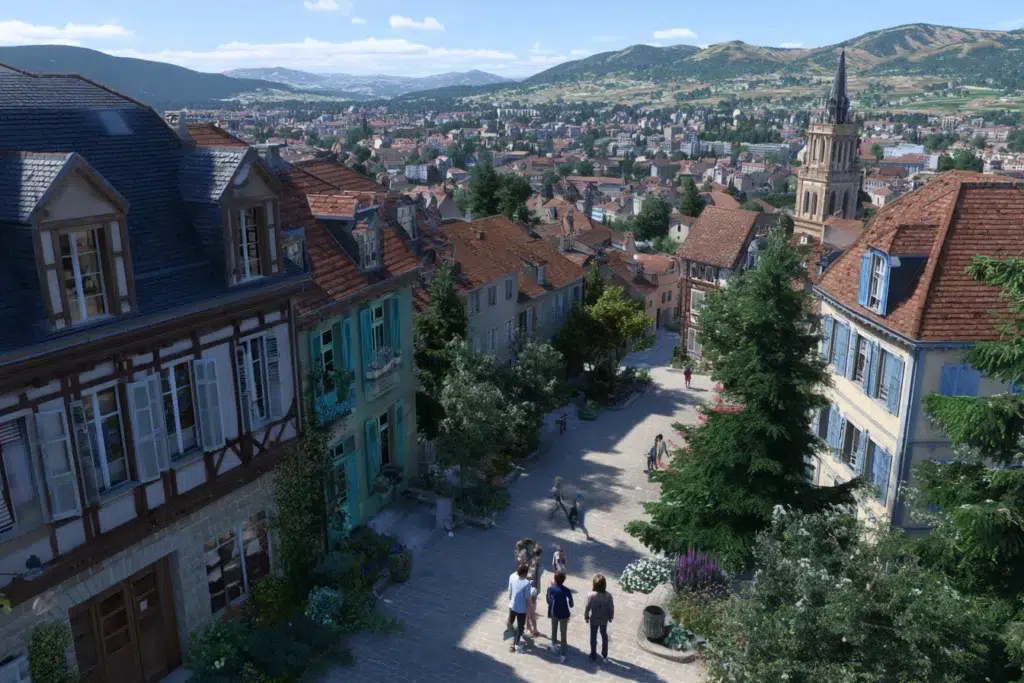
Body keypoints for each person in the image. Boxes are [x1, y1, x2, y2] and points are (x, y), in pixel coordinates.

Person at [584, 573, 614, 662]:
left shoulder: (591, 595)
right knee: (604, 635)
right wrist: (611, 617)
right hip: (604, 619)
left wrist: (586, 616)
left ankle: (593, 654)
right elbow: (611, 607)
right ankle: (604, 653)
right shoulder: (608, 596)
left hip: (594, 619)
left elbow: (587, 607)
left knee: (593, 636)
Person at [546, 571, 574, 661]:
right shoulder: (567, 590)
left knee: (554, 629)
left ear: (555, 579)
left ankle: (554, 644)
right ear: (564, 580)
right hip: (564, 614)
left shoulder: (551, 589)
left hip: (554, 612)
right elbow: (571, 604)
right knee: (563, 632)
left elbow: (548, 601)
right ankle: (563, 653)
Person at [506, 563, 533, 652]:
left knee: (510, 622)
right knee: (521, 626)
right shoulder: (527, 583)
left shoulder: (512, 577)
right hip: (521, 609)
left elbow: (510, 591)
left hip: (512, 605)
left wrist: (511, 600)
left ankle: (511, 639)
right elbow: (527, 598)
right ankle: (516, 644)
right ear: (525, 573)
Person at [526, 546, 544, 637]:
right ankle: (530, 628)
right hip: (533, 588)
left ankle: (529, 627)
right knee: (530, 610)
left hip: (533, 588)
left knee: (530, 609)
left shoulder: (532, 561)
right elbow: (531, 577)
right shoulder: (534, 563)